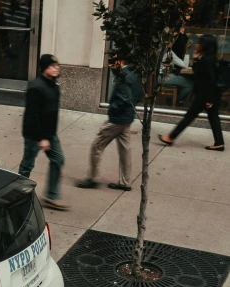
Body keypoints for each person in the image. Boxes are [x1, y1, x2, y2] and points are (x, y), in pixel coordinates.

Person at [75, 60, 142, 192]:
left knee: (97, 145)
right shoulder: (134, 74)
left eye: (113, 61)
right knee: (125, 150)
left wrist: (113, 108)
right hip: (127, 118)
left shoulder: (125, 76)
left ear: (120, 61)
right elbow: (138, 95)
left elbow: (124, 97)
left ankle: (92, 179)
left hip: (117, 119)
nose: (111, 65)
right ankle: (125, 182)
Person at [18, 54, 68, 210]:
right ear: (45, 68)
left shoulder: (54, 85)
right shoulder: (36, 87)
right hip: (35, 135)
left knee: (58, 160)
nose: (56, 68)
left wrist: (49, 135)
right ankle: (17, 193)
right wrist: (42, 138)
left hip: (50, 134)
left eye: (57, 65)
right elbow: (33, 115)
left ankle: (51, 196)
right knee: (27, 165)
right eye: (52, 66)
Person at [159, 35, 224, 152]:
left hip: (205, 96)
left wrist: (209, 99)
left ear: (205, 45)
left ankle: (171, 137)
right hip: (208, 95)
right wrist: (195, 60)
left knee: (189, 117)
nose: (197, 44)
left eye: (200, 43)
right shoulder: (207, 58)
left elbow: (210, 80)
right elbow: (199, 74)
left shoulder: (207, 60)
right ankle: (219, 143)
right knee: (213, 118)